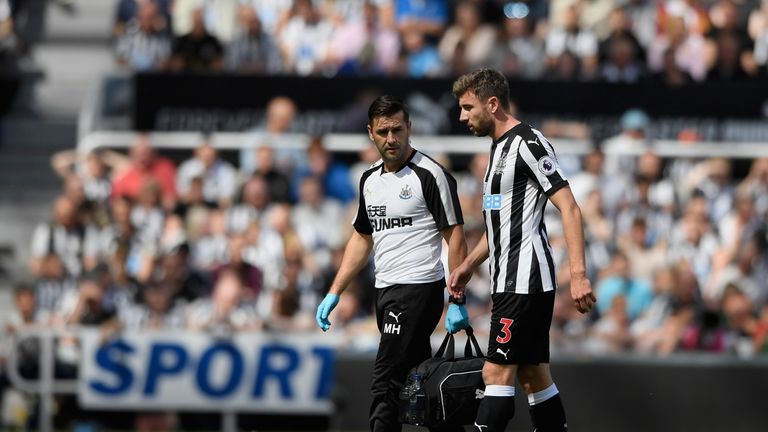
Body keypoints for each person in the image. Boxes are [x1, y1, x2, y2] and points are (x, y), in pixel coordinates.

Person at [448, 69, 595, 432]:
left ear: (492, 103)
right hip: (509, 281)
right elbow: (500, 227)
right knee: (533, 375)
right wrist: (468, 265)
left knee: (495, 371)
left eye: (468, 107)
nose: (462, 116)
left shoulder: (529, 143)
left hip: (524, 281)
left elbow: (570, 208)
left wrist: (577, 275)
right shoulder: (498, 148)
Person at [314, 95, 468, 432]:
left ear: (409, 127)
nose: (391, 138)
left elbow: (455, 237)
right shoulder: (369, 180)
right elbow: (361, 237)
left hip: (417, 289)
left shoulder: (430, 175)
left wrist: (457, 299)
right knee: (418, 383)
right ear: (370, 133)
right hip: (385, 291)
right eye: (383, 131)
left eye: (397, 129)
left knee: (384, 384)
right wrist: (335, 291)